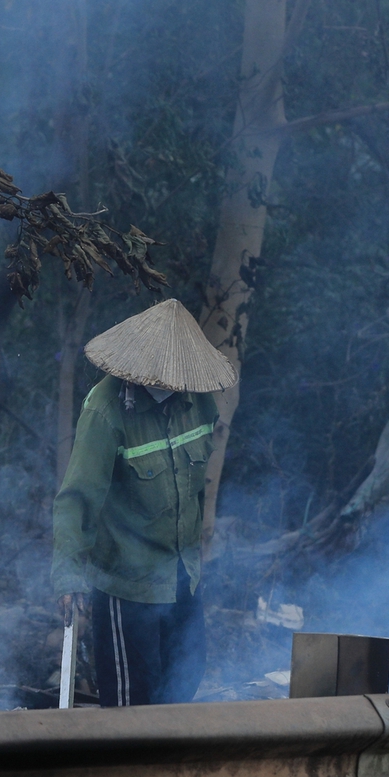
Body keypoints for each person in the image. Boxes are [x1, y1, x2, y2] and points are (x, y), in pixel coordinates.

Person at [52, 299, 237, 706]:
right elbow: (77, 497)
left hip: (182, 574)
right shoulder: (105, 411)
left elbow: (197, 487)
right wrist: (67, 575)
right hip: (126, 584)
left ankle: (168, 766)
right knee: (133, 700)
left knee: (188, 673)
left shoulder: (199, 402)